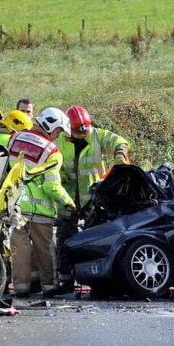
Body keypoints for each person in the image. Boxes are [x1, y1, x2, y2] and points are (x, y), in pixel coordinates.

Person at [54, 105, 130, 293]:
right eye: (79, 132)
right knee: (64, 238)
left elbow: (120, 142)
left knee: (95, 239)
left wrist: (120, 153)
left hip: (92, 198)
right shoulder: (60, 141)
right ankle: (66, 279)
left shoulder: (96, 135)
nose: (83, 135)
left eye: (85, 131)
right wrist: (59, 174)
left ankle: (96, 279)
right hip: (67, 197)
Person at [6, 107, 76, 298]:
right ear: (51, 126)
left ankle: (21, 287)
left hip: (16, 207)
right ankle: (49, 286)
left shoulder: (15, 138)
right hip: (41, 210)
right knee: (45, 249)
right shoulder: (52, 151)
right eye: (58, 131)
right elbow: (51, 187)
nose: (57, 136)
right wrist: (69, 203)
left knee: (19, 249)